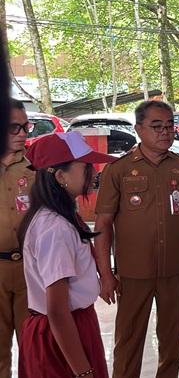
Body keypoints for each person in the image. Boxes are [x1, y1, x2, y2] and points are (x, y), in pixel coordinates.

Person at [94, 101, 179, 378]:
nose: (165, 132)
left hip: (176, 270)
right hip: (133, 273)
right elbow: (103, 224)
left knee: (172, 343)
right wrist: (106, 274)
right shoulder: (117, 170)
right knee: (128, 342)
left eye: (169, 126)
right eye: (157, 126)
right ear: (139, 129)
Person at [17, 131, 116, 378]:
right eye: (86, 167)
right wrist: (83, 372)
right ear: (60, 176)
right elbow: (58, 311)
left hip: (70, 328)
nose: (94, 172)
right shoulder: (55, 228)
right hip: (62, 334)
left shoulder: (60, 217)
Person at [0, 99, 35, 377]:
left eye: (26, 127)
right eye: (15, 128)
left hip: (29, 271)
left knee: (33, 348)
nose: (23, 133)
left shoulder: (36, 169)